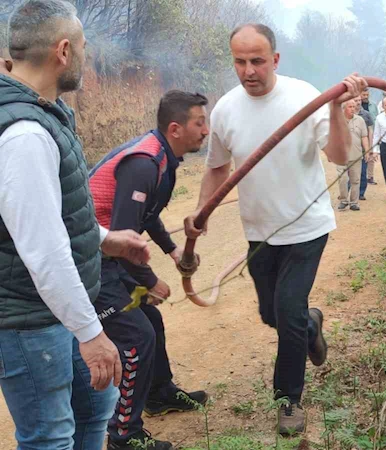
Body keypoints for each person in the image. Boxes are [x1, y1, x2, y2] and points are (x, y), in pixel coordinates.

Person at [183, 23, 366, 435]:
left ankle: (288, 402)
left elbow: (339, 154)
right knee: (273, 314)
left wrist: (336, 108)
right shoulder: (226, 109)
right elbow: (217, 168)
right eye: (240, 61)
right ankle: (312, 324)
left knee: (286, 309)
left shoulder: (305, 96)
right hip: (259, 232)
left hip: (307, 227)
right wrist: (201, 212)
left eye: (257, 61)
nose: (249, 70)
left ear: (275, 60)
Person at [0, 1, 150, 449]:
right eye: (84, 47)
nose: (87, 57)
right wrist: (91, 333)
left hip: (59, 306)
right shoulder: (24, 134)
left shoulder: (46, 112)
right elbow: (42, 250)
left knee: (94, 410)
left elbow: (52, 213)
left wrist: (107, 240)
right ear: (64, 51)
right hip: (30, 321)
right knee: (50, 436)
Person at [88, 90, 211, 449]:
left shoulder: (162, 158)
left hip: (109, 254)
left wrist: (173, 251)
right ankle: (123, 434)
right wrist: (150, 281)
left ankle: (158, 394)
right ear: (175, 128)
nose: (206, 130)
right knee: (136, 337)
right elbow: (124, 241)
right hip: (90, 260)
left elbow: (148, 214)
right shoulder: (144, 163)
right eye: (199, 123)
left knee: (151, 323)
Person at [336, 99, 368, 211]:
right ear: (344, 108)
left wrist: (367, 151)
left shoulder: (360, 120)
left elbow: (364, 136)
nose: (353, 109)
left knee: (355, 180)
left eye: (354, 107)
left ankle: (354, 202)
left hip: (356, 155)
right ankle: (344, 200)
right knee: (343, 179)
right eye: (350, 107)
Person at [360, 89, 379, 186]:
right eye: (363, 94)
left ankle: (370, 176)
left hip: (371, 131)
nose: (366, 96)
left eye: (367, 94)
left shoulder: (373, 105)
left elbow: (377, 119)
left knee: (371, 152)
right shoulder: (356, 106)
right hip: (359, 133)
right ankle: (360, 176)